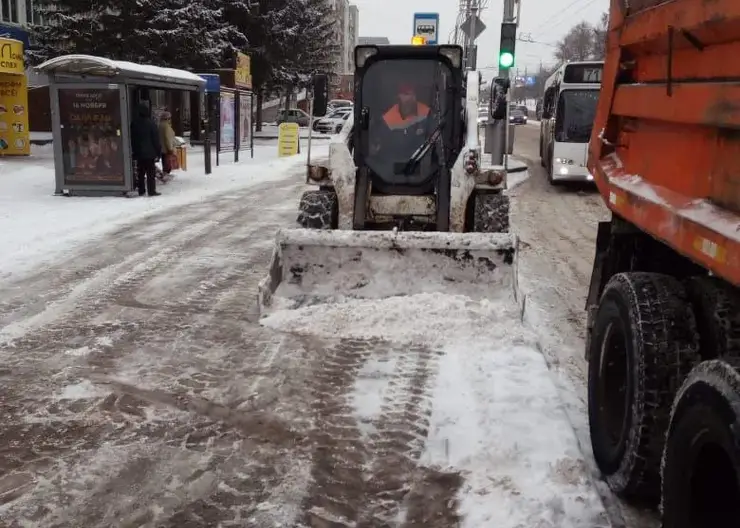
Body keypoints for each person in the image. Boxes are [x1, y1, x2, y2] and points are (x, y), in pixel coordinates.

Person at [372, 83, 431, 162]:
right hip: (394, 164)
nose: (412, 98)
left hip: (421, 162)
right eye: (406, 94)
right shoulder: (388, 118)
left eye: (413, 95)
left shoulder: (426, 112)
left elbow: (434, 137)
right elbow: (382, 147)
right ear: (399, 96)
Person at [130, 102, 162, 196]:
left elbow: (133, 139)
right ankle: (151, 191)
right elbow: (156, 139)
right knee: (150, 173)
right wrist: (158, 152)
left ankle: (141, 190)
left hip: (139, 152)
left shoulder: (134, 123)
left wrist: (134, 151)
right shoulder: (151, 123)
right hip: (150, 153)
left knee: (141, 172)